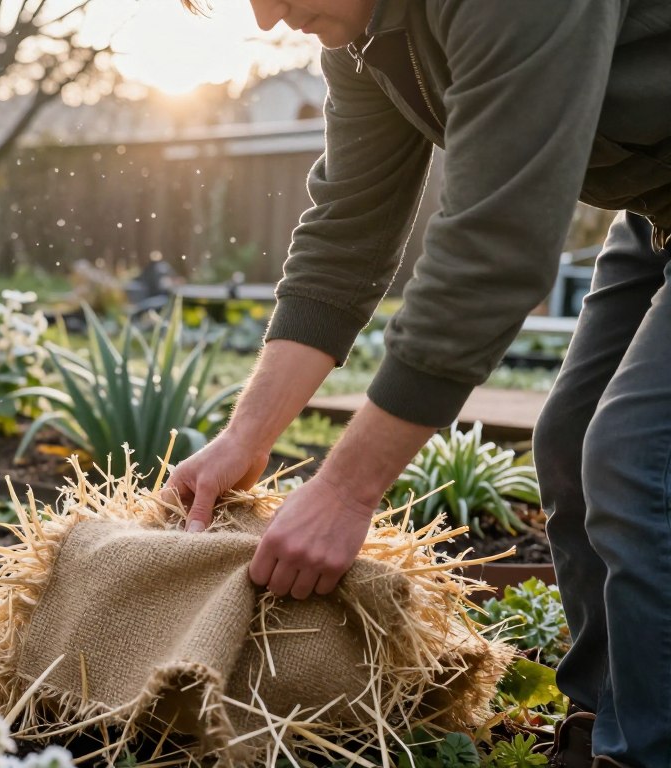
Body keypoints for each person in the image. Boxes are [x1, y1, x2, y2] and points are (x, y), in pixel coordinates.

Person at [162, 1, 671, 767]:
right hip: (656, 207)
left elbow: (494, 249)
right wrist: (245, 438)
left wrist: (345, 491)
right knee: (569, 446)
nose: (268, 18)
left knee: (640, 465)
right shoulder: (366, 36)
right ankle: (612, 723)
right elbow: (346, 237)